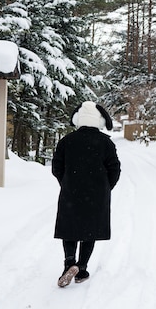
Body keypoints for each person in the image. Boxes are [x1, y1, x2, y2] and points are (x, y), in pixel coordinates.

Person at [52, 101, 121, 287]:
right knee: (90, 230)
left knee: (70, 228)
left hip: (71, 192)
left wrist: (66, 183)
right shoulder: (106, 143)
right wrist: (106, 188)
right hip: (96, 194)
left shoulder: (66, 141)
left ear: (79, 120)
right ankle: (81, 268)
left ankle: (69, 262)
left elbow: (57, 167)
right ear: (99, 121)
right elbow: (114, 168)